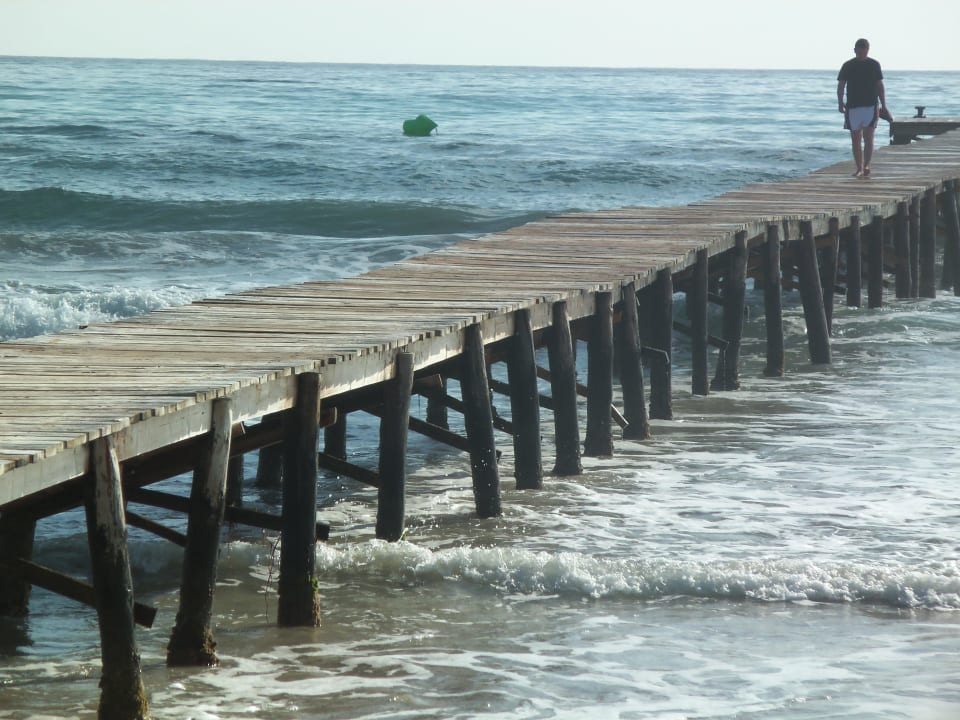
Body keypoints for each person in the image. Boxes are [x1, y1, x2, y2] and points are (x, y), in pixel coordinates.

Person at [837, 38, 889, 177]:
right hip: (852, 106)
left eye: (863, 51)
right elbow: (841, 85)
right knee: (855, 138)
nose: (860, 54)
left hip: (870, 106)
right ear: (854, 50)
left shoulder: (874, 64)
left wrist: (883, 105)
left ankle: (866, 165)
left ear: (867, 50)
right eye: (858, 51)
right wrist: (840, 102)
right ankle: (859, 167)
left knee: (868, 136)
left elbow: (880, 85)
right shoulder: (848, 65)